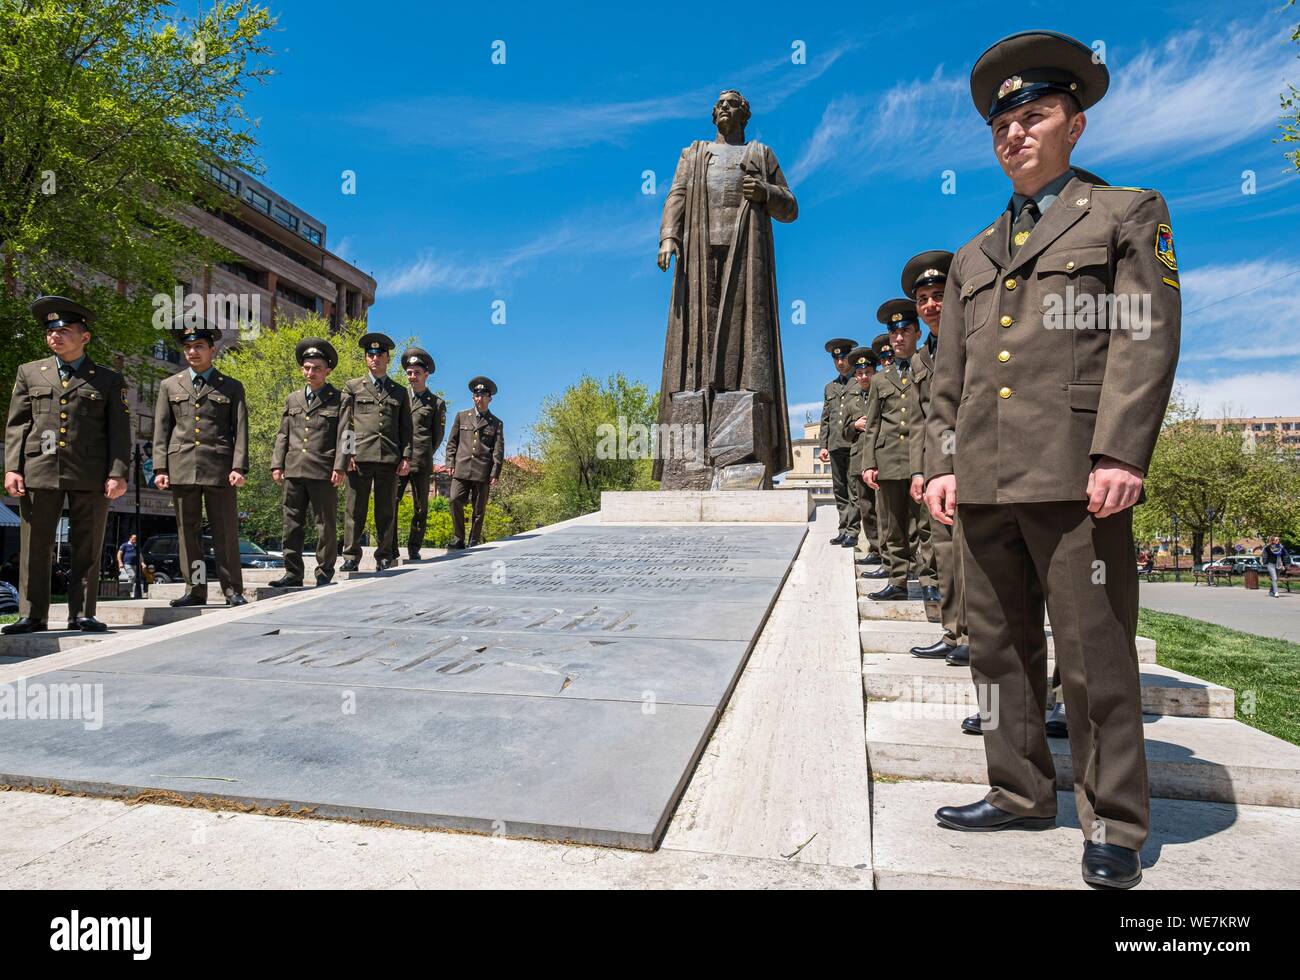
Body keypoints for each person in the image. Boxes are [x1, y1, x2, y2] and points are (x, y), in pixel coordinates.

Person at [923, 30, 1180, 890]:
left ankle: (1114, 822)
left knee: (1092, 652)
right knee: (997, 652)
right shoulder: (971, 254)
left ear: (1075, 125)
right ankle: (1019, 789)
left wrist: (1120, 450)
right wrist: (942, 462)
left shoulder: (1124, 214)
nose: (1015, 135)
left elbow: (1144, 338)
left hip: (1077, 475)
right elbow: (948, 379)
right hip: (985, 481)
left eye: (1034, 117)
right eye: (1003, 126)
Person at [654, 89, 797, 488]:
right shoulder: (694, 153)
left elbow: (790, 207)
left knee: (745, 346)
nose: (724, 108)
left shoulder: (760, 153)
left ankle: (742, 456)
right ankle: (691, 463)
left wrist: (765, 193)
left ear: (744, 115)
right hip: (699, 256)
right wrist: (669, 237)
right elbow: (676, 196)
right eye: (719, 104)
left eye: (732, 103)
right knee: (696, 344)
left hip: (745, 256)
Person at [2, 296, 130, 634]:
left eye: (65, 331)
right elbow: (18, 424)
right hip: (39, 470)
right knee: (35, 546)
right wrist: (12, 468)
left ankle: (82, 613)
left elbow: (119, 432)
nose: (55, 337)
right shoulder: (29, 372)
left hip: (90, 473)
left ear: (85, 337)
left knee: (87, 546)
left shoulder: (107, 380)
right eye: (51, 332)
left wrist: (118, 473)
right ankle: (32, 615)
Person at [152, 316, 249, 607]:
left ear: (212, 350)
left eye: (200, 346)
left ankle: (232, 589)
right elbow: (162, 429)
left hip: (220, 469)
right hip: (181, 467)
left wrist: (238, 466)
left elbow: (240, 428)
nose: (193, 352)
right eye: (189, 347)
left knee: (225, 531)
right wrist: (160, 468)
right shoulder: (170, 385)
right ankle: (196, 590)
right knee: (187, 533)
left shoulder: (230, 386)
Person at [901, 251, 970, 663]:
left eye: (939, 295)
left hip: (971, 463)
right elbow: (920, 418)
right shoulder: (921, 356)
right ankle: (954, 631)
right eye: (923, 298)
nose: (930, 305)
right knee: (944, 551)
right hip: (937, 471)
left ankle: (978, 637)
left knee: (970, 555)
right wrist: (919, 471)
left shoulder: (969, 338)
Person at [862, 299, 936, 605]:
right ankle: (897, 580)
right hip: (888, 458)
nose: (899, 337)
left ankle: (931, 580)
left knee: (927, 524)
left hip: (924, 457)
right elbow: (873, 425)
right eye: (894, 333)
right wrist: (868, 464)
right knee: (891, 524)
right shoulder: (880, 380)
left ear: (917, 333)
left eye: (905, 330)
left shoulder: (929, 363)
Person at [269, 338, 343, 588]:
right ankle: (292, 573)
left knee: (326, 525)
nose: (311, 372)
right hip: (293, 469)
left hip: (324, 471)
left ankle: (324, 573)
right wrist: (277, 464)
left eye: (317, 368)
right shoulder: (293, 399)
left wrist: (340, 466)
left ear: (328, 371)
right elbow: (283, 433)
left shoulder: (340, 399)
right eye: (307, 367)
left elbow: (348, 436)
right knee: (291, 524)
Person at [337, 333, 412, 572]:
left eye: (380, 354)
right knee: (354, 510)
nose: (375, 358)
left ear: (388, 358)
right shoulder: (353, 387)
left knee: (386, 511)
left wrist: (406, 456)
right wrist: (347, 455)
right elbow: (346, 423)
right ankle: (350, 556)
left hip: (389, 458)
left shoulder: (399, 392)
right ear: (365, 358)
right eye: (371, 354)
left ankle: (384, 555)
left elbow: (406, 428)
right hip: (360, 458)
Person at [389, 347, 446, 561]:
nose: (412, 376)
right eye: (409, 373)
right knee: (391, 504)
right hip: (398, 460)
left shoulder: (436, 403)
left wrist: (424, 453)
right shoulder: (399, 397)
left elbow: (437, 437)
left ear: (426, 375)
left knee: (421, 507)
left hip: (421, 460)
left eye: (416, 373)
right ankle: (391, 548)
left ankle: (414, 547)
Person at [445, 377, 504, 549]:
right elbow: (452, 442)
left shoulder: (496, 423)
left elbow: (498, 450)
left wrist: (495, 472)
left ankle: (474, 540)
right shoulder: (462, 416)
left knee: (479, 510)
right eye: (476, 395)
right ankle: (459, 538)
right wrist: (450, 462)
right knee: (454, 499)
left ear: (490, 398)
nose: (479, 398)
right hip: (461, 468)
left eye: (483, 395)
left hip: (482, 471)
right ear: (473, 397)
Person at [841, 346, 881, 563]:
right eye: (860, 373)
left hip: (882, 457)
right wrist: (854, 426)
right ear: (855, 375)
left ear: (874, 372)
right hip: (859, 459)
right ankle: (875, 551)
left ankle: (892, 555)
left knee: (885, 510)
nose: (864, 376)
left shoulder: (883, 392)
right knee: (867, 508)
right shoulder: (850, 402)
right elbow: (843, 434)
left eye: (868, 372)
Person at [820, 338, 860, 546]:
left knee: (854, 489)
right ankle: (843, 528)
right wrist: (823, 446)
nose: (840, 362)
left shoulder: (860, 380)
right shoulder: (830, 387)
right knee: (839, 489)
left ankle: (853, 531)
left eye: (844, 357)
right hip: (835, 445)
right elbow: (826, 418)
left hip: (854, 444)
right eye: (836, 359)